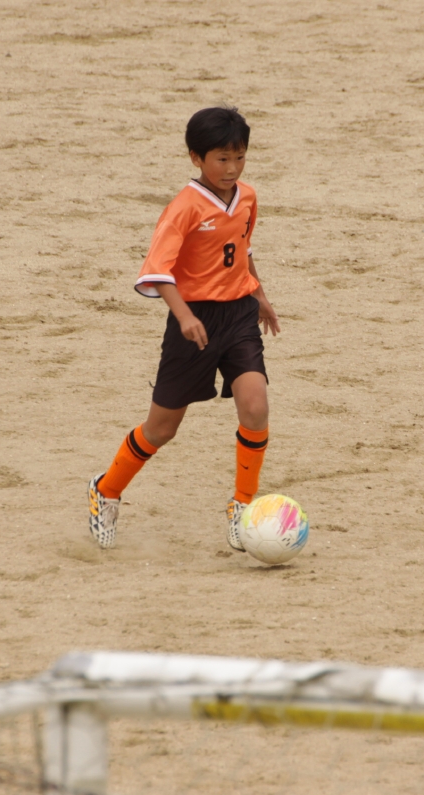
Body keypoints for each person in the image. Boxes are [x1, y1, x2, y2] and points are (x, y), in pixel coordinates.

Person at [87, 107, 281, 551]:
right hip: (194, 323)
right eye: (221, 159)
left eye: (239, 158)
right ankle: (106, 489)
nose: (232, 169)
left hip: (238, 315)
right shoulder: (184, 208)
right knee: (161, 429)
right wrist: (184, 316)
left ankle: (242, 506)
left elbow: (242, 248)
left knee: (255, 406)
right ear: (196, 158)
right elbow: (157, 271)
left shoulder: (247, 197)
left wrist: (260, 295)